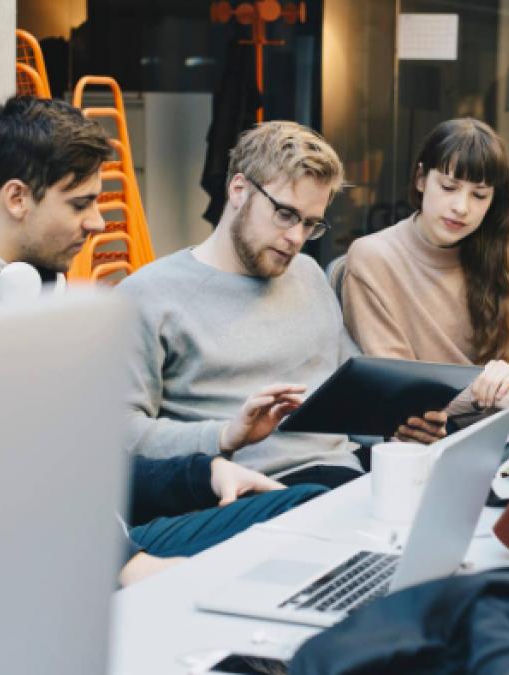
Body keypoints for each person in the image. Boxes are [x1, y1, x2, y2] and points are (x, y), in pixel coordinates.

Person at [0, 95, 326, 585]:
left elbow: (82, 469)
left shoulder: (41, 295)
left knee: (311, 506)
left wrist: (204, 473)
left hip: (100, 542)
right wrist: (124, 564)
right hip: (26, 568)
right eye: (81, 204)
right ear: (17, 198)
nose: (97, 223)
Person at [118, 120, 447, 490]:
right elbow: (117, 435)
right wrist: (224, 435)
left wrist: (394, 431)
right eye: (285, 214)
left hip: (344, 477)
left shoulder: (307, 275)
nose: (296, 238)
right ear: (239, 190)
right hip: (248, 491)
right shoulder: (148, 295)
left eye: (311, 224)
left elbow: (348, 396)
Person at [342, 118, 509, 414]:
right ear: (421, 179)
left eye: (479, 194)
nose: (462, 207)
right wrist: (485, 393)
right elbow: (396, 386)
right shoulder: (373, 258)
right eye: (449, 187)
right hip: (427, 441)